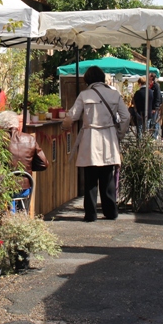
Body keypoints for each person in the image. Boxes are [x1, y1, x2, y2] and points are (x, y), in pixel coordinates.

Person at [62, 66, 130, 222]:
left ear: (87, 80)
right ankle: (111, 211)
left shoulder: (84, 95)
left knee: (91, 178)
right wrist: (118, 134)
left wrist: (64, 126)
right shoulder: (114, 94)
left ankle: (91, 214)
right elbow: (125, 117)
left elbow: (72, 115)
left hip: (90, 138)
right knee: (108, 177)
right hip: (109, 137)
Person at [0, 111, 48, 190]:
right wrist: (27, 167)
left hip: (4, 188)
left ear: (0, 126)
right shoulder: (30, 139)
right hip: (25, 187)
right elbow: (43, 164)